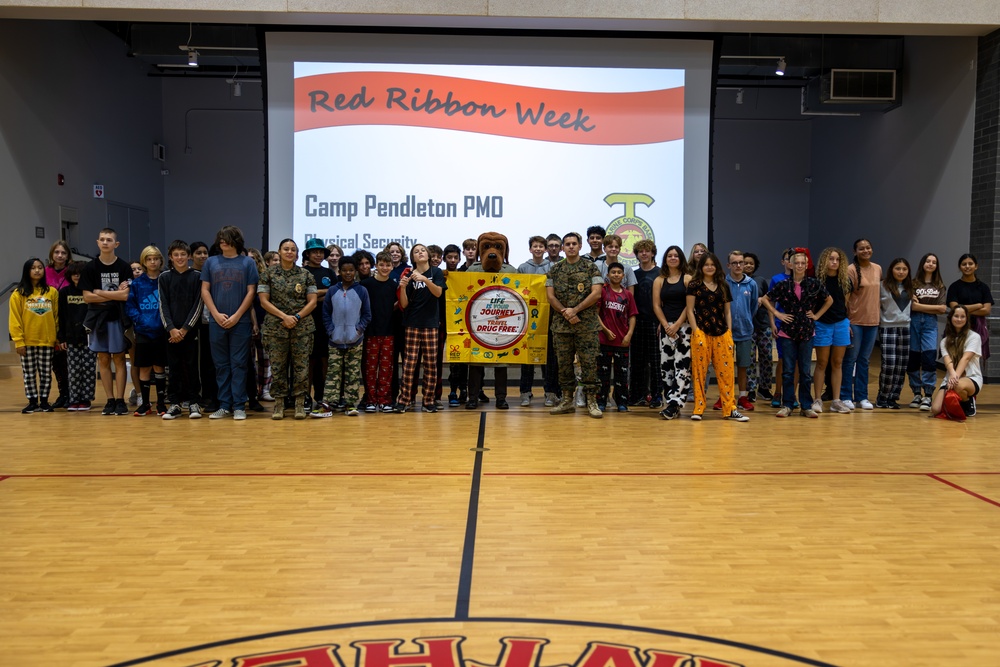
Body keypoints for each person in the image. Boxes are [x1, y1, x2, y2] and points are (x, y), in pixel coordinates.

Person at [762, 251, 832, 418]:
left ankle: (806, 406)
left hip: (807, 331)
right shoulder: (783, 284)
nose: (800, 266)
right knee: (788, 370)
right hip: (787, 332)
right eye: (797, 263)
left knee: (806, 371)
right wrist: (777, 314)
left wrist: (817, 315)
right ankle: (787, 404)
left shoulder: (814, 284)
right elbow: (766, 299)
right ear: (791, 265)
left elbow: (829, 300)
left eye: (803, 263)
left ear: (806, 265)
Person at [201, 225, 259, 421]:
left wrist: (236, 315)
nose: (222, 241)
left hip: (240, 321)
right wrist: (215, 314)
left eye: (226, 238)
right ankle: (224, 405)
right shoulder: (211, 262)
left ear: (236, 240)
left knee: (239, 364)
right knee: (221, 365)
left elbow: (251, 292)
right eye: (220, 238)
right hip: (217, 321)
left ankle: (239, 405)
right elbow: (205, 290)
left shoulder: (247, 263)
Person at [685, 252, 749, 422]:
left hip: (722, 333)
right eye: (706, 264)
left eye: (712, 264)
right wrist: (696, 330)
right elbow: (690, 310)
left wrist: (729, 332)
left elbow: (727, 311)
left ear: (717, 266)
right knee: (699, 373)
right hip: (702, 333)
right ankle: (698, 408)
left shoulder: (723, 285)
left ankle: (730, 409)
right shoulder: (694, 284)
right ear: (701, 267)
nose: (709, 267)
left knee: (726, 373)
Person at [546, 232, 604, 418]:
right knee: (563, 365)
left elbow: (597, 294)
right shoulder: (554, 270)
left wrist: (575, 310)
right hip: (562, 327)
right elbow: (550, 296)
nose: (570, 246)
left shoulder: (591, 268)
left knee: (589, 363)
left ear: (580, 246)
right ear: (563, 247)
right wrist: (566, 312)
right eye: (567, 244)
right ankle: (566, 401)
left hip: (586, 326)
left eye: (574, 243)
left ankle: (592, 401)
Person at [258, 238, 317, 420]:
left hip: (302, 328)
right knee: (278, 367)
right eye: (286, 249)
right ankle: (279, 404)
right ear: (280, 251)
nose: (289, 252)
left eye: (293, 249)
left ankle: (300, 403)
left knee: (301, 368)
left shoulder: (305, 275)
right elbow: (263, 301)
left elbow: (313, 301)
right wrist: (284, 317)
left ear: (297, 254)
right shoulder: (268, 274)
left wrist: (297, 317)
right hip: (276, 328)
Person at [79, 228, 132, 416]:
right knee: (102, 358)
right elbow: (87, 297)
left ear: (116, 244)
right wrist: (113, 295)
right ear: (97, 242)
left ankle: (120, 400)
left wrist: (100, 292)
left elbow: (125, 295)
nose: (105, 242)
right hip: (97, 320)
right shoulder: (91, 268)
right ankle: (109, 399)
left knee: (118, 358)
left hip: (117, 318)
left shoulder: (124, 267)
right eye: (102, 239)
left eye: (109, 240)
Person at [394, 243, 445, 413]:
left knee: (431, 364)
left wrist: (424, 280)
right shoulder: (408, 274)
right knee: (409, 363)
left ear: (428, 255)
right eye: (416, 252)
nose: (420, 253)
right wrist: (402, 287)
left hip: (430, 323)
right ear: (413, 257)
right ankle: (404, 399)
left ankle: (428, 400)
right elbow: (404, 304)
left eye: (423, 250)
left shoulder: (435, 272)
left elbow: (438, 293)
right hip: (412, 323)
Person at [158, 240, 204, 419]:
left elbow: (198, 305)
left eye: (183, 254)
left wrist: (184, 330)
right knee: (174, 368)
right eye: (176, 255)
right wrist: (171, 329)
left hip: (190, 332)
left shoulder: (197, 277)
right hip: (171, 333)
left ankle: (194, 403)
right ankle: (175, 403)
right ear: (170, 257)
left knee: (192, 367)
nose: (179, 258)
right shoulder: (164, 277)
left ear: (189, 256)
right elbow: (163, 305)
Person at [321, 256, 371, 417]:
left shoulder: (361, 290)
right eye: (344, 270)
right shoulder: (332, 290)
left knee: (352, 373)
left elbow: (367, 314)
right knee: (333, 373)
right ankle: (329, 403)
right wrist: (331, 331)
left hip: (355, 341)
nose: (348, 273)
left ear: (355, 271)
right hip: (335, 340)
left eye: (351, 270)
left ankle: (350, 404)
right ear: (339, 271)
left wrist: (358, 331)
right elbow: (326, 313)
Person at [9, 258, 58, 413]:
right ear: (27, 271)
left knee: (46, 374)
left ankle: (44, 401)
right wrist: (19, 341)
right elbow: (14, 318)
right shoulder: (18, 294)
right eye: (33, 268)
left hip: (47, 340)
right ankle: (32, 401)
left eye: (40, 267)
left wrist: (55, 337)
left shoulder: (52, 292)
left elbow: (56, 316)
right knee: (29, 374)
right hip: (27, 341)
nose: (37, 270)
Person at [124, 245, 168, 416]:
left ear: (160, 261)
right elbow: (130, 306)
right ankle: (146, 404)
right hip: (143, 331)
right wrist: (140, 320)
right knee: (144, 368)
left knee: (159, 367)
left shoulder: (165, 280)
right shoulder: (137, 284)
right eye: (149, 259)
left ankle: (162, 404)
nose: (152, 262)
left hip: (161, 330)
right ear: (144, 262)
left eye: (155, 259)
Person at [840, 238, 882, 411]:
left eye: (868, 248)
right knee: (850, 360)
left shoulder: (878, 268)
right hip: (855, 321)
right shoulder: (850, 270)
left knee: (864, 361)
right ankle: (845, 396)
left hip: (873, 321)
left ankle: (862, 396)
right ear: (855, 251)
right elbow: (845, 298)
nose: (865, 251)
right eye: (861, 248)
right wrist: (846, 321)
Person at [651, 246, 691, 420]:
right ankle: (670, 403)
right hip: (666, 328)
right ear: (665, 259)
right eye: (669, 255)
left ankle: (676, 403)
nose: (673, 258)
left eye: (676, 255)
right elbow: (656, 306)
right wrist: (666, 325)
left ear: (681, 258)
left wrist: (677, 325)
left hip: (684, 329)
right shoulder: (659, 280)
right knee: (666, 367)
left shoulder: (688, 278)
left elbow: (689, 306)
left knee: (682, 367)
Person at [812, 247, 853, 414]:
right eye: (831, 259)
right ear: (824, 261)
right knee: (822, 363)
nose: (834, 262)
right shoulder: (816, 281)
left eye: (837, 259)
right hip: (822, 324)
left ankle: (836, 400)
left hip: (841, 324)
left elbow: (845, 304)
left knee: (837, 363)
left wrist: (847, 323)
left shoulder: (845, 281)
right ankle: (817, 399)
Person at [908, 253, 947, 409]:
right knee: (913, 359)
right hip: (914, 323)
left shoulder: (940, 286)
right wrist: (933, 308)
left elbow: (942, 308)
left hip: (930, 324)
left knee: (929, 358)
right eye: (928, 261)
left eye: (934, 262)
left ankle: (928, 395)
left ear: (937, 266)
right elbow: (912, 307)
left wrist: (919, 306)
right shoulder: (913, 284)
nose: (931, 264)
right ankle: (917, 393)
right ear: (922, 263)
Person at [597, 262, 637, 411]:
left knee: (622, 374)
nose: (616, 275)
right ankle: (601, 401)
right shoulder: (602, 291)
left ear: (623, 275)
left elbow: (632, 316)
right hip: (604, 340)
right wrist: (605, 330)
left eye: (619, 272)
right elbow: (595, 314)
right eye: (613, 272)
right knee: (603, 374)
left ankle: (621, 401)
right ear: (607, 275)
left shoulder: (627, 294)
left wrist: (629, 335)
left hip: (622, 341)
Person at [302, 238, 336, 412]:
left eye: (321, 252)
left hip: (326, 322)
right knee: (309, 361)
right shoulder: (302, 273)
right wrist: (320, 294)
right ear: (307, 254)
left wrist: (313, 294)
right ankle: (306, 397)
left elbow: (334, 294)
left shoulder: (329, 274)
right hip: (306, 322)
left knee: (324, 361)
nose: (318, 254)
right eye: (314, 251)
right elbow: (304, 298)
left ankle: (322, 397)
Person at [362, 251, 398, 413]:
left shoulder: (394, 285)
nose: (385, 268)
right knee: (370, 368)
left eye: (388, 265)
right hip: (370, 332)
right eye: (381, 265)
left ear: (392, 266)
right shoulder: (366, 285)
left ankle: (384, 399)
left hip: (389, 331)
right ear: (376, 266)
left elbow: (398, 304)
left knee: (386, 368)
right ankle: (370, 399)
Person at [930, 305, 982, 421]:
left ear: (967, 319)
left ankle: (968, 400)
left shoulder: (974, 337)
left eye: (963, 316)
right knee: (936, 409)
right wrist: (952, 375)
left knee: (957, 386)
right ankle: (958, 402)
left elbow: (966, 358)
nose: (959, 319)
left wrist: (955, 377)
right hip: (951, 377)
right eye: (956, 316)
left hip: (971, 378)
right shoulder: (945, 341)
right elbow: (948, 361)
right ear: (951, 318)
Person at [517, 235, 551, 406]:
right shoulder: (523, 267)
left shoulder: (553, 266)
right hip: (527, 317)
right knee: (527, 356)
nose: (538, 249)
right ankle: (525, 391)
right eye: (535, 246)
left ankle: (550, 392)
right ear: (530, 249)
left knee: (547, 356)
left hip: (547, 316)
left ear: (545, 249)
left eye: (541, 246)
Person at [722, 250, 758, 413]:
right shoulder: (723, 283)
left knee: (743, 365)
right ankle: (725, 396)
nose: (738, 265)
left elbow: (753, 307)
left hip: (745, 332)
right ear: (729, 265)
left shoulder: (751, 284)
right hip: (725, 332)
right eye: (734, 263)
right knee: (725, 366)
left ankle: (742, 396)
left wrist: (746, 320)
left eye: (741, 262)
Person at [57, 262, 95, 411]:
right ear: (70, 275)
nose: (77, 276)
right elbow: (61, 316)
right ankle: (74, 399)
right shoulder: (64, 292)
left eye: (80, 273)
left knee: (89, 369)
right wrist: (62, 338)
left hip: (89, 337)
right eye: (74, 273)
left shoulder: (91, 291)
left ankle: (86, 399)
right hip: (70, 337)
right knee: (73, 370)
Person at [628, 239, 661, 408]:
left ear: (653, 253)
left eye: (647, 251)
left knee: (655, 362)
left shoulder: (661, 273)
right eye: (641, 251)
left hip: (655, 322)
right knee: (637, 361)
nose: (644, 254)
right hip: (638, 322)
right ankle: (636, 395)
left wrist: (662, 322)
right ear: (637, 255)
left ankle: (656, 395)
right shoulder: (633, 274)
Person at [876, 258, 913, 409]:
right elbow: (876, 305)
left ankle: (893, 397)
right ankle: (882, 396)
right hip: (887, 327)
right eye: (898, 268)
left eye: (904, 269)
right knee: (889, 364)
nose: (901, 272)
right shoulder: (882, 286)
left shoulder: (910, 287)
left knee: (901, 365)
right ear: (891, 269)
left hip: (905, 328)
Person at [946, 253, 993, 369]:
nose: (967, 266)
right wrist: (977, 305)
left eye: (970, 264)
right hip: (957, 327)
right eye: (964, 264)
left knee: (973, 360)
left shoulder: (983, 287)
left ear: (976, 266)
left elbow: (986, 310)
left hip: (978, 328)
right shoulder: (954, 287)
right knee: (956, 357)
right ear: (959, 267)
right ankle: (955, 381)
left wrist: (962, 310)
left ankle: (971, 384)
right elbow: (954, 308)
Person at [742, 252, 773, 403]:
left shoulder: (761, 281)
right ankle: (751, 389)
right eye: (745, 263)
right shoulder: (738, 282)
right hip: (747, 326)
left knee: (767, 355)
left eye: (751, 263)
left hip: (763, 324)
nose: (748, 265)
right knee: (750, 358)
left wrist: (762, 299)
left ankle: (765, 388)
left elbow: (769, 300)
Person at [190, 241, 217, 412]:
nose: (202, 256)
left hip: (209, 322)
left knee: (209, 362)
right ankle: (194, 395)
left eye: (205, 252)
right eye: (198, 253)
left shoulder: (213, 272)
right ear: (191, 255)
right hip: (192, 324)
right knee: (195, 362)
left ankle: (209, 394)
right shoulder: (190, 275)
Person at [46, 240, 72, 408]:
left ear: (68, 255)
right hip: (48, 320)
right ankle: (62, 394)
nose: (60, 255)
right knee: (57, 364)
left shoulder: (72, 272)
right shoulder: (45, 272)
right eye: (57, 252)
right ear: (52, 254)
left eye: (63, 253)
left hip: (68, 320)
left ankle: (72, 394)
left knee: (69, 362)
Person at [767, 247, 795, 407]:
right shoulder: (777, 279)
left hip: (799, 325)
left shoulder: (805, 280)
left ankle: (793, 395)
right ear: (783, 262)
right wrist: (772, 322)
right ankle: (778, 391)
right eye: (788, 259)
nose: (791, 262)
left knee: (797, 362)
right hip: (782, 324)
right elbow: (770, 301)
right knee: (783, 360)